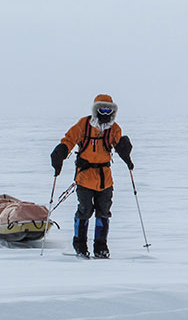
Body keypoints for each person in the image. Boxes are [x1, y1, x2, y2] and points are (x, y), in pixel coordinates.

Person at [50, 94, 134, 258]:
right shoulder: (84, 124)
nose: (105, 112)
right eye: (102, 109)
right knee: (85, 210)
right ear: (96, 110)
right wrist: (61, 151)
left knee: (103, 212)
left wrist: (125, 151)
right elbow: (69, 139)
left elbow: (118, 144)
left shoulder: (114, 128)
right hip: (85, 177)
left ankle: (101, 247)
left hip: (105, 179)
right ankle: (80, 245)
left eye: (108, 109)